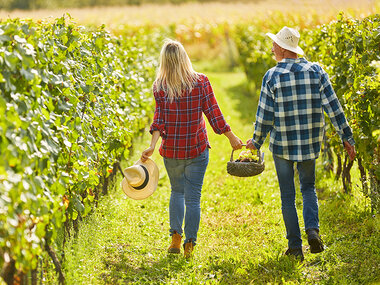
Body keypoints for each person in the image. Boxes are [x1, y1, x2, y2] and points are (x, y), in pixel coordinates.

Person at [246, 26, 356, 261]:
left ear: (284, 49)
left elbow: (265, 116)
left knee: (287, 195)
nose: (272, 47)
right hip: (309, 141)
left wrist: (255, 142)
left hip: (282, 145)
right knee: (308, 188)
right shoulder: (316, 71)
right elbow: (333, 107)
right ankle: (313, 231)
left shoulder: (272, 76)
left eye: (275, 44)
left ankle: (295, 247)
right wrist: (347, 137)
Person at [141, 39, 243, 258]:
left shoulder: (159, 86)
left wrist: (152, 145)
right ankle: (190, 245)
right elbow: (214, 114)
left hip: (172, 151)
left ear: (164, 62)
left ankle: (175, 239)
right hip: (196, 149)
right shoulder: (201, 82)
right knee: (193, 198)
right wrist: (231, 137)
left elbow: (159, 119)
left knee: (177, 192)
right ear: (184, 57)